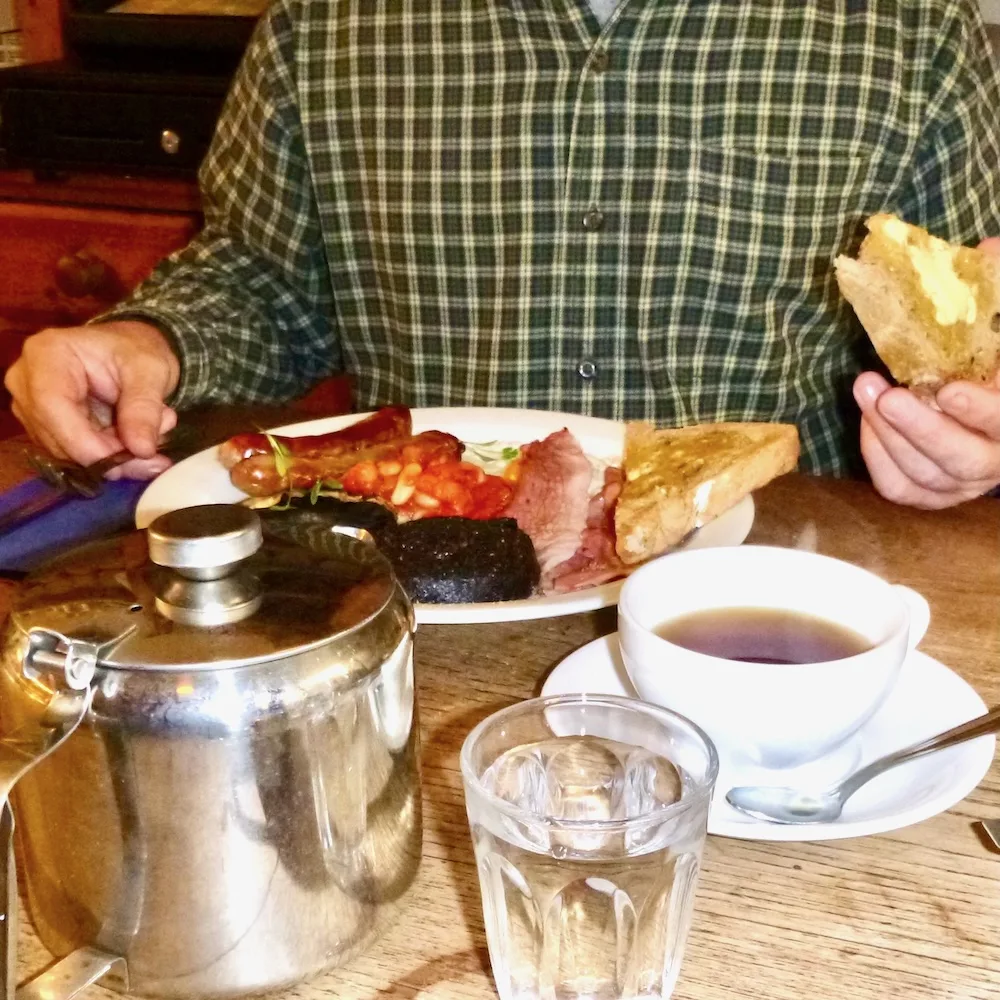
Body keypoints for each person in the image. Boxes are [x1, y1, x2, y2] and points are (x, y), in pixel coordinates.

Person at [7, 0, 1000, 509]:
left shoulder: (910, 33)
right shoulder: (324, 25)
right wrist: (149, 341)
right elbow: (267, 280)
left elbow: (966, 344)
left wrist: (968, 443)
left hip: (765, 606)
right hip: (425, 592)